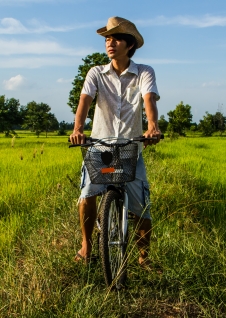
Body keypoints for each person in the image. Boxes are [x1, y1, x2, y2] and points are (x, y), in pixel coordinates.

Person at [69, 16, 161, 267]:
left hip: (131, 147)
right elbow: (84, 102)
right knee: (87, 194)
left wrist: (153, 127)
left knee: (142, 206)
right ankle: (87, 245)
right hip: (101, 148)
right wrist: (78, 129)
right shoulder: (95, 73)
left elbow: (149, 100)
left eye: (116, 38)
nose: (110, 43)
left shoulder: (144, 72)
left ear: (129, 45)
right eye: (108, 38)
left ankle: (144, 257)